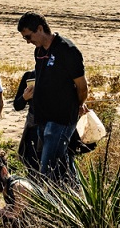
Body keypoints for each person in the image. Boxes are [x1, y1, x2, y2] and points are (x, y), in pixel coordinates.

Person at [17, 13, 88, 183]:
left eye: (29, 36)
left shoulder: (67, 50)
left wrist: (78, 105)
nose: (27, 41)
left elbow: (82, 86)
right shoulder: (39, 51)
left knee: (47, 169)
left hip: (61, 119)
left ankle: (46, 205)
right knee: (64, 162)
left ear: (40, 29)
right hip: (43, 118)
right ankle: (78, 195)